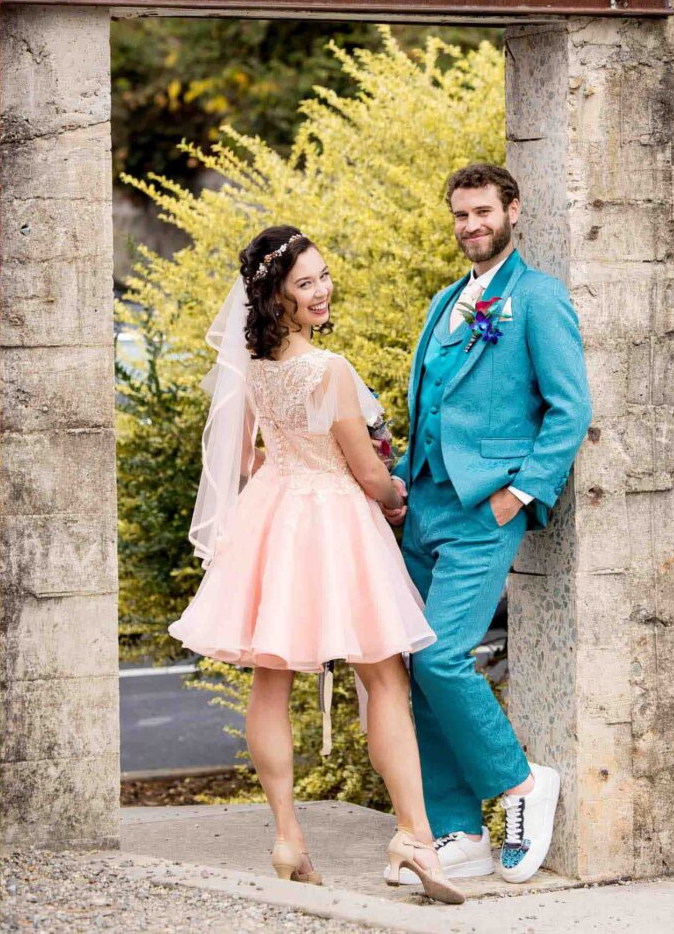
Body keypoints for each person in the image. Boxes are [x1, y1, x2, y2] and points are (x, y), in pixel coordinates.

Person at [168, 226, 462, 905]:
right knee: (384, 676)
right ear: (276, 295)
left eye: (323, 275)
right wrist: (397, 496)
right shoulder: (327, 368)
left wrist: (290, 465)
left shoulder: (252, 367)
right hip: (334, 521)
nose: (322, 289)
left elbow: (242, 459)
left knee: (268, 681)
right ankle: (413, 836)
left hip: (273, 519)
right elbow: (366, 472)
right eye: (305, 282)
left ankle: (286, 836)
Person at [384, 163, 591, 885]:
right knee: (411, 661)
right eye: (459, 215)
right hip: (422, 505)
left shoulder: (537, 299)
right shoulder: (446, 299)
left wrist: (520, 493)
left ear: (512, 210)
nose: (470, 225)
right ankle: (458, 831)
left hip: (484, 507)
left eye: (481, 212)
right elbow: (429, 402)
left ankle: (520, 783)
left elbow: (569, 409)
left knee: (441, 655)